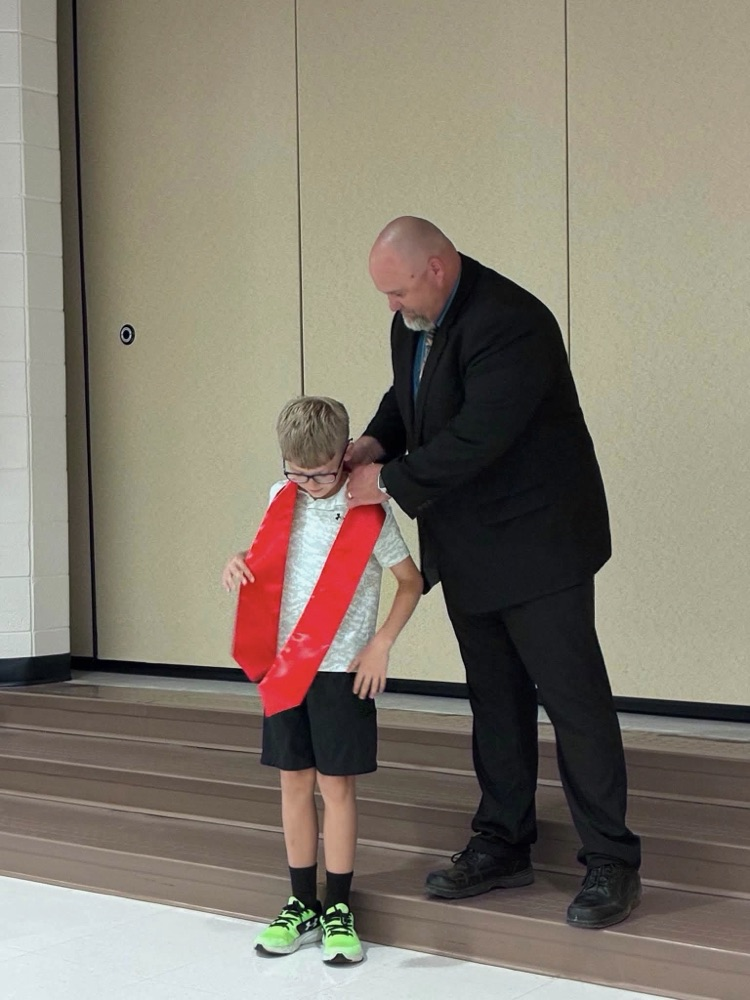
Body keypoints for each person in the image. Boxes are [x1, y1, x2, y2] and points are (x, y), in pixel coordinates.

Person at [346, 217, 642, 929]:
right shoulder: (415, 315)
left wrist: (387, 480)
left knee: (574, 702)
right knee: (495, 700)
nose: (392, 306)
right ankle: (503, 842)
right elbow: (408, 401)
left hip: (540, 544)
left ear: (439, 266)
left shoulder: (513, 323)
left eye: (398, 290)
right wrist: (373, 440)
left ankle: (612, 860)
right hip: (472, 541)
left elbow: (480, 435)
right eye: (385, 295)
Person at [222, 395, 422, 962]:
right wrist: (238, 559)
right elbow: (267, 557)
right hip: (286, 666)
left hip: (340, 671)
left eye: (320, 473)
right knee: (292, 783)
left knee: (336, 789)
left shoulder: (370, 510)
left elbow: (411, 581)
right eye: (297, 472)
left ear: (345, 454)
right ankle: (299, 903)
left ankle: (338, 906)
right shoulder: (279, 496)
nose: (309, 483)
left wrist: (380, 645)